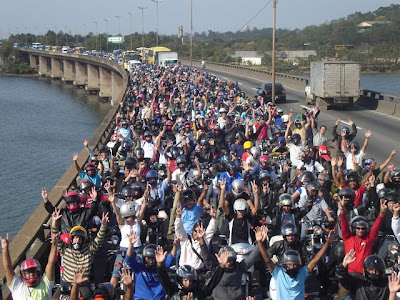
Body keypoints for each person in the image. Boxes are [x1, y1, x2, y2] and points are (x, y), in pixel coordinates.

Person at [256, 225, 333, 300]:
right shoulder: (279, 273)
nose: (292, 267)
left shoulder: (302, 272)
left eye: (294, 264)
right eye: (289, 264)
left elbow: (315, 259)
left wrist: (327, 243)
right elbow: (267, 260)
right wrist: (259, 242)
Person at [52, 208, 108, 299]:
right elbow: (55, 237)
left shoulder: (89, 249)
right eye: (75, 238)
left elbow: (98, 240)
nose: (77, 240)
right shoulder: (65, 248)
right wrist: (54, 222)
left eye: (80, 238)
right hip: (66, 282)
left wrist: (103, 226)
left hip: (83, 284)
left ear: (83, 240)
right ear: (71, 239)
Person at [1, 230, 58, 300]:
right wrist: (5, 248)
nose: (31, 274)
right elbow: (8, 269)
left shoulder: (45, 284)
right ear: (22, 274)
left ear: (39, 271)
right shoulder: (17, 287)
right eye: (28, 272)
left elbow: (51, 263)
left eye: (33, 271)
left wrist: (54, 244)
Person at [339, 196, 386, 274]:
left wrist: (382, 213)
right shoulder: (348, 238)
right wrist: (342, 211)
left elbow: (376, 227)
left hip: (364, 275)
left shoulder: (369, 239)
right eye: (358, 228)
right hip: (350, 274)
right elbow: (344, 225)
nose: (361, 230)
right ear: (354, 228)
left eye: (363, 229)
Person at [125, 235, 166, 300]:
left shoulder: (161, 269)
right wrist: (131, 245)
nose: (150, 261)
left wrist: (175, 246)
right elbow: (128, 259)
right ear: (144, 258)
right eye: (148, 258)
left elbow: (170, 258)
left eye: (153, 259)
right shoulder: (138, 267)